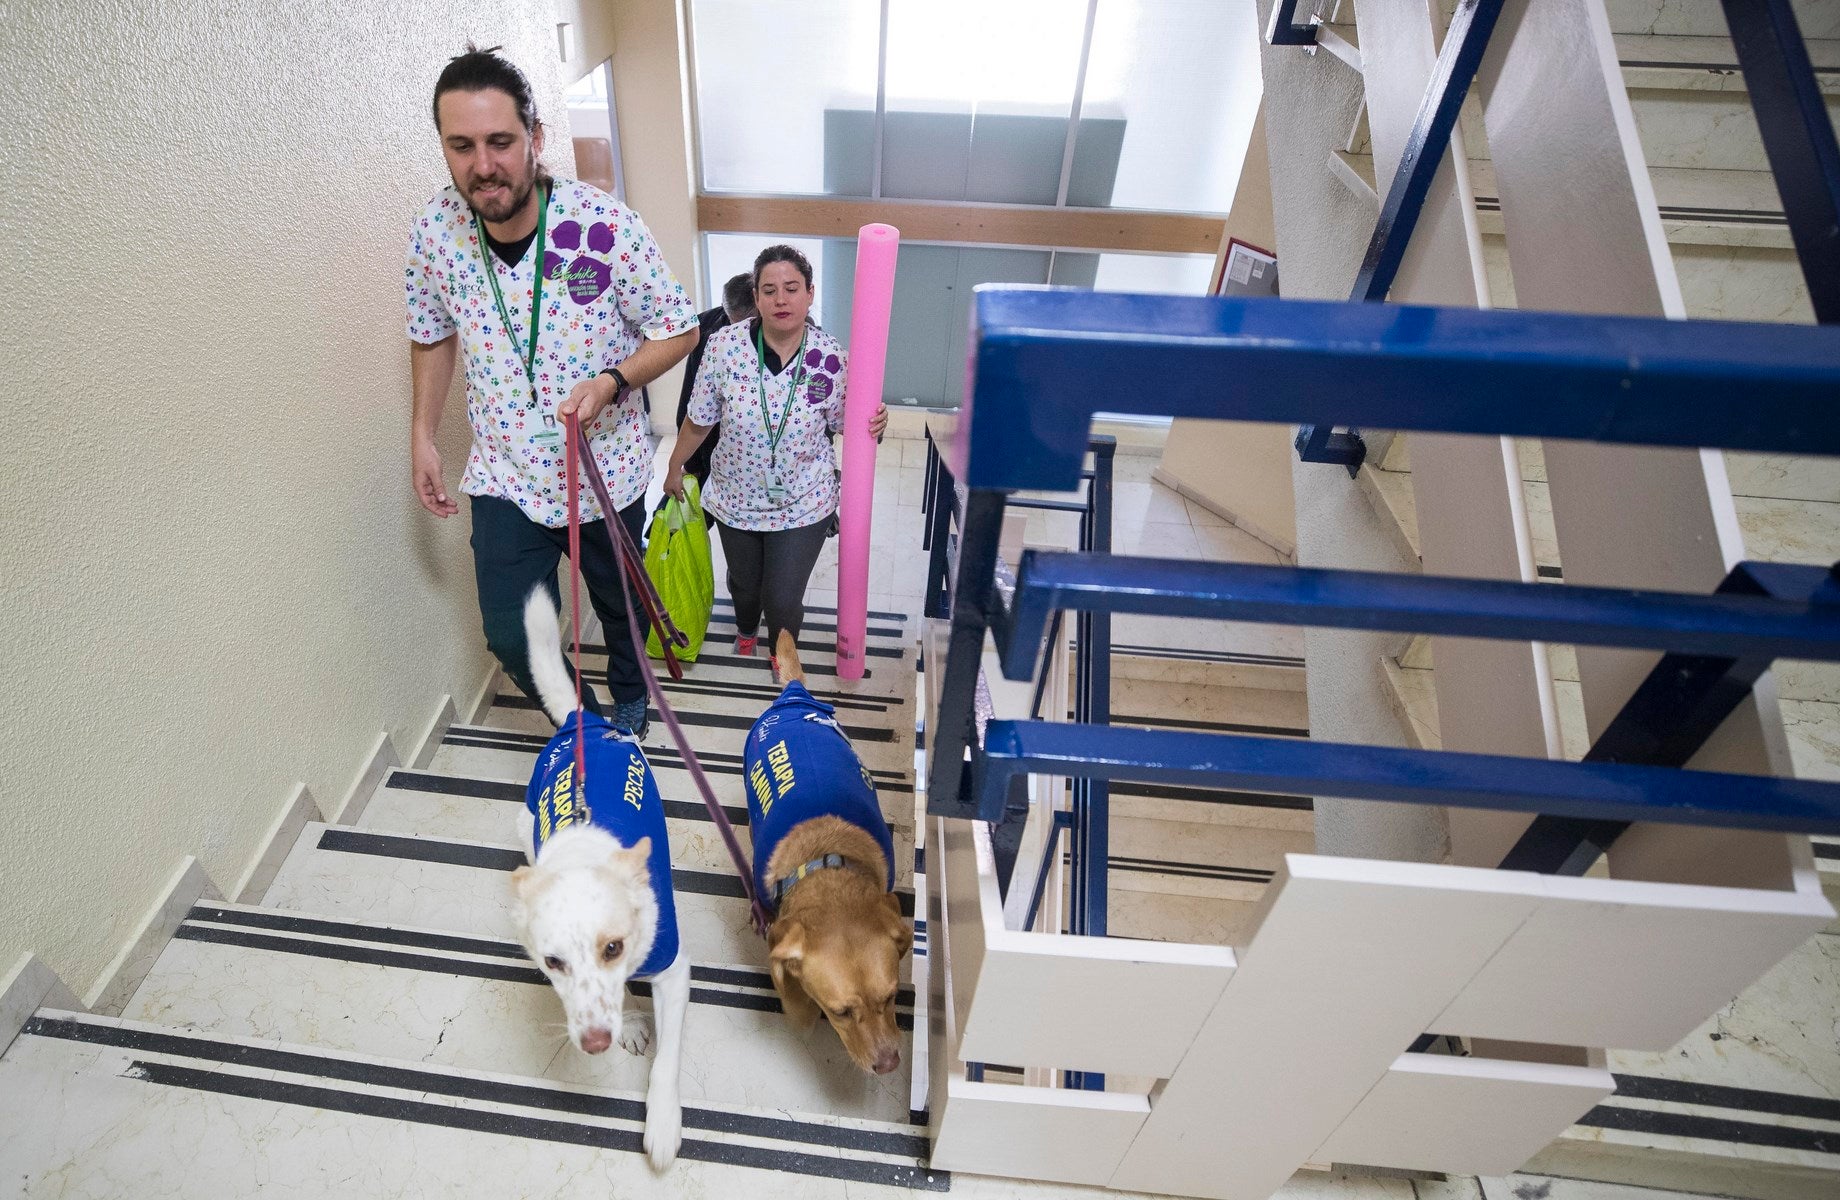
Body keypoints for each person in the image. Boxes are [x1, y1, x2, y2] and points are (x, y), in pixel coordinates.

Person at [406, 45, 698, 737]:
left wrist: (612, 380)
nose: (483, 165)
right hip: (506, 474)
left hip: (607, 473)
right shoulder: (433, 234)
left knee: (621, 607)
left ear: (535, 137)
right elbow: (430, 332)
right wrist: (421, 433)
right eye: (462, 145)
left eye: (501, 141)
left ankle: (630, 691)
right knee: (511, 633)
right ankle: (588, 728)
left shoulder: (605, 229)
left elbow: (679, 329)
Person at [663, 245, 887, 679]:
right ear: (757, 296)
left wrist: (874, 422)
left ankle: (781, 655)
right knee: (746, 588)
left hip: (805, 499)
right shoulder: (723, 347)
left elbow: (850, 425)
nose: (781, 299)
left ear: (809, 294)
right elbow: (700, 419)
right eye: (770, 290)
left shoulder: (832, 358)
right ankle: (746, 626)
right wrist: (676, 466)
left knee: (782, 597)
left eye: (791, 288)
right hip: (735, 494)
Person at [672, 272, 756, 490]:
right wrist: (689, 464)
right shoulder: (706, 331)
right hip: (712, 441)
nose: (741, 331)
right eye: (735, 322)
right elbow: (692, 403)